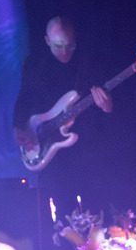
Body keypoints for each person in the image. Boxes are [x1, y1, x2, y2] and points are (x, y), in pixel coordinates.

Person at [13, 16, 113, 220]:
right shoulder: (35, 64)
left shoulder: (86, 62)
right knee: (64, 215)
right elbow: (24, 98)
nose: (65, 52)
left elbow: (108, 107)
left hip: (87, 147)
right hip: (52, 153)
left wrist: (107, 104)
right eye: (58, 46)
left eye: (70, 46)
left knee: (97, 210)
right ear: (47, 40)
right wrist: (19, 128)